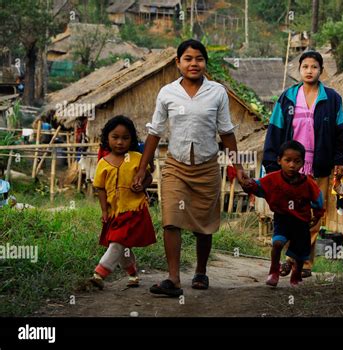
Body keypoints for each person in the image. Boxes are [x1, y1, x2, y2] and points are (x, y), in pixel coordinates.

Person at [133, 39, 246, 297]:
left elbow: (226, 131)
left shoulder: (217, 92)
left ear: (205, 63)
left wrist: (237, 167)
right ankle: (173, 279)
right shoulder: (167, 93)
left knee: (203, 225)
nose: (193, 63)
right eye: (188, 58)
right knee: (171, 219)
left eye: (199, 58)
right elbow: (155, 132)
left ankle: (201, 271)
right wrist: (143, 167)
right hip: (175, 164)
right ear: (178, 63)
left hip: (207, 167)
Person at [263, 50, 343, 278]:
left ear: (321, 70)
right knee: (292, 213)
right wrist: (272, 164)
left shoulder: (332, 99)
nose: (309, 71)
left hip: (319, 165)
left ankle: (300, 262)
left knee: (314, 214)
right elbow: (275, 130)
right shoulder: (287, 98)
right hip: (291, 168)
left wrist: (341, 159)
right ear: (299, 70)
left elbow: (341, 131)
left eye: (314, 67)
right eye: (305, 67)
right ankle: (297, 260)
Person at [242, 140, 324, 287]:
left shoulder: (308, 183)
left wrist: (317, 215)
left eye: (297, 161)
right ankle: (274, 270)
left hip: (301, 222)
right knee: (278, 243)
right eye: (288, 160)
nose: (292, 165)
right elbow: (259, 186)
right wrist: (249, 185)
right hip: (283, 218)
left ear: (302, 163)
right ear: (279, 160)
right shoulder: (273, 179)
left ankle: (296, 275)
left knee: (299, 255)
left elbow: (318, 198)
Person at [89, 116, 156, 290]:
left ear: (132, 140)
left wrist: (142, 185)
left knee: (117, 241)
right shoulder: (102, 164)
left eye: (125, 138)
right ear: (107, 138)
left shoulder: (136, 158)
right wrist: (104, 211)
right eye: (115, 137)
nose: (120, 142)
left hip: (135, 209)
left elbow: (149, 176)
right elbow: (100, 189)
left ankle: (99, 273)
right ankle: (133, 274)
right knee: (122, 244)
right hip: (114, 212)